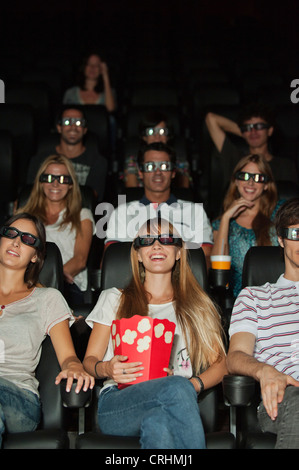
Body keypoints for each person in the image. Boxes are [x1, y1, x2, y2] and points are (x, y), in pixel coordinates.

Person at [83, 217, 227, 449]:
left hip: (175, 399)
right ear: (138, 254)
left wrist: (191, 385)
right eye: (147, 240)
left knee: (159, 424)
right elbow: (89, 361)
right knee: (175, 390)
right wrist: (108, 368)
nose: (157, 245)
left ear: (179, 252)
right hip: (119, 402)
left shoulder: (199, 305)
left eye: (167, 239)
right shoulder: (114, 298)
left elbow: (221, 364)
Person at [0, 212, 94, 447]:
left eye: (28, 240)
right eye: (11, 234)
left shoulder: (47, 298)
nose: (16, 241)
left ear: (35, 257)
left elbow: (69, 357)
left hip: (16, 396)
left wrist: (74, 367)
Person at [227, 197, 299, 449]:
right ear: (280, 239)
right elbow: (235, 356)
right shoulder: (255, 296)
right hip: (285, 395)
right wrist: (264, 371)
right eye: (295, 233)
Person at [103, 142, 213, 266]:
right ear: (140, 172)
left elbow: (205, 259)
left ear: (173, 172)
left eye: (164, 166)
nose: (158, 172)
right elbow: (110, 262)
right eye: (150, 166)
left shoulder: (195, 211)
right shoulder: (122, 213)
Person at [18, 154, 94, 307]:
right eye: (49, 178)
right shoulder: (24, 215)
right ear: (40, 181)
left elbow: (79, 260)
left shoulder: (82, 215)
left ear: (71, 184)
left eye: (62, 179)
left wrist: (47, 281)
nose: (55, 184)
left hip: (67, 284)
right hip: (24, 283)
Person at [211, 153, 284, 298]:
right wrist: (226, 218)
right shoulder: (222, 223)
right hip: (239, 300)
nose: (250, 183)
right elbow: (218, 272)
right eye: (244, 176)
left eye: (258, 178)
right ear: (236, 181)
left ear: (266, 185)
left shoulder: (281, 214)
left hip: (278, 296)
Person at [205, 103, 298, 196]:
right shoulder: (235, 158)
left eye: (259, 126)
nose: (253, 131)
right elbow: (211, 118)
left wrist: (249, 133)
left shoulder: (285, 165)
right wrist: (246, 133)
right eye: (248, 127)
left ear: (270, 130)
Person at [26, 106, 108, 202]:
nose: (73, 127)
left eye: (78, 122)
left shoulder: (98, 162)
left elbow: (91, 198)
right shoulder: (40, 160)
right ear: (59, 127)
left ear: (85, 129)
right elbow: (29, 194)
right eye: (67, 122)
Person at [123, 110, 190, 188]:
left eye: (162, 131)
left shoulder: (180, 163)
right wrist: (122, 200)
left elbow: (185, 192)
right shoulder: (133, 162)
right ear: (144, 137)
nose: (157, 136)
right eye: (151, 132)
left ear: (168, 136)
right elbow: (129, 192)